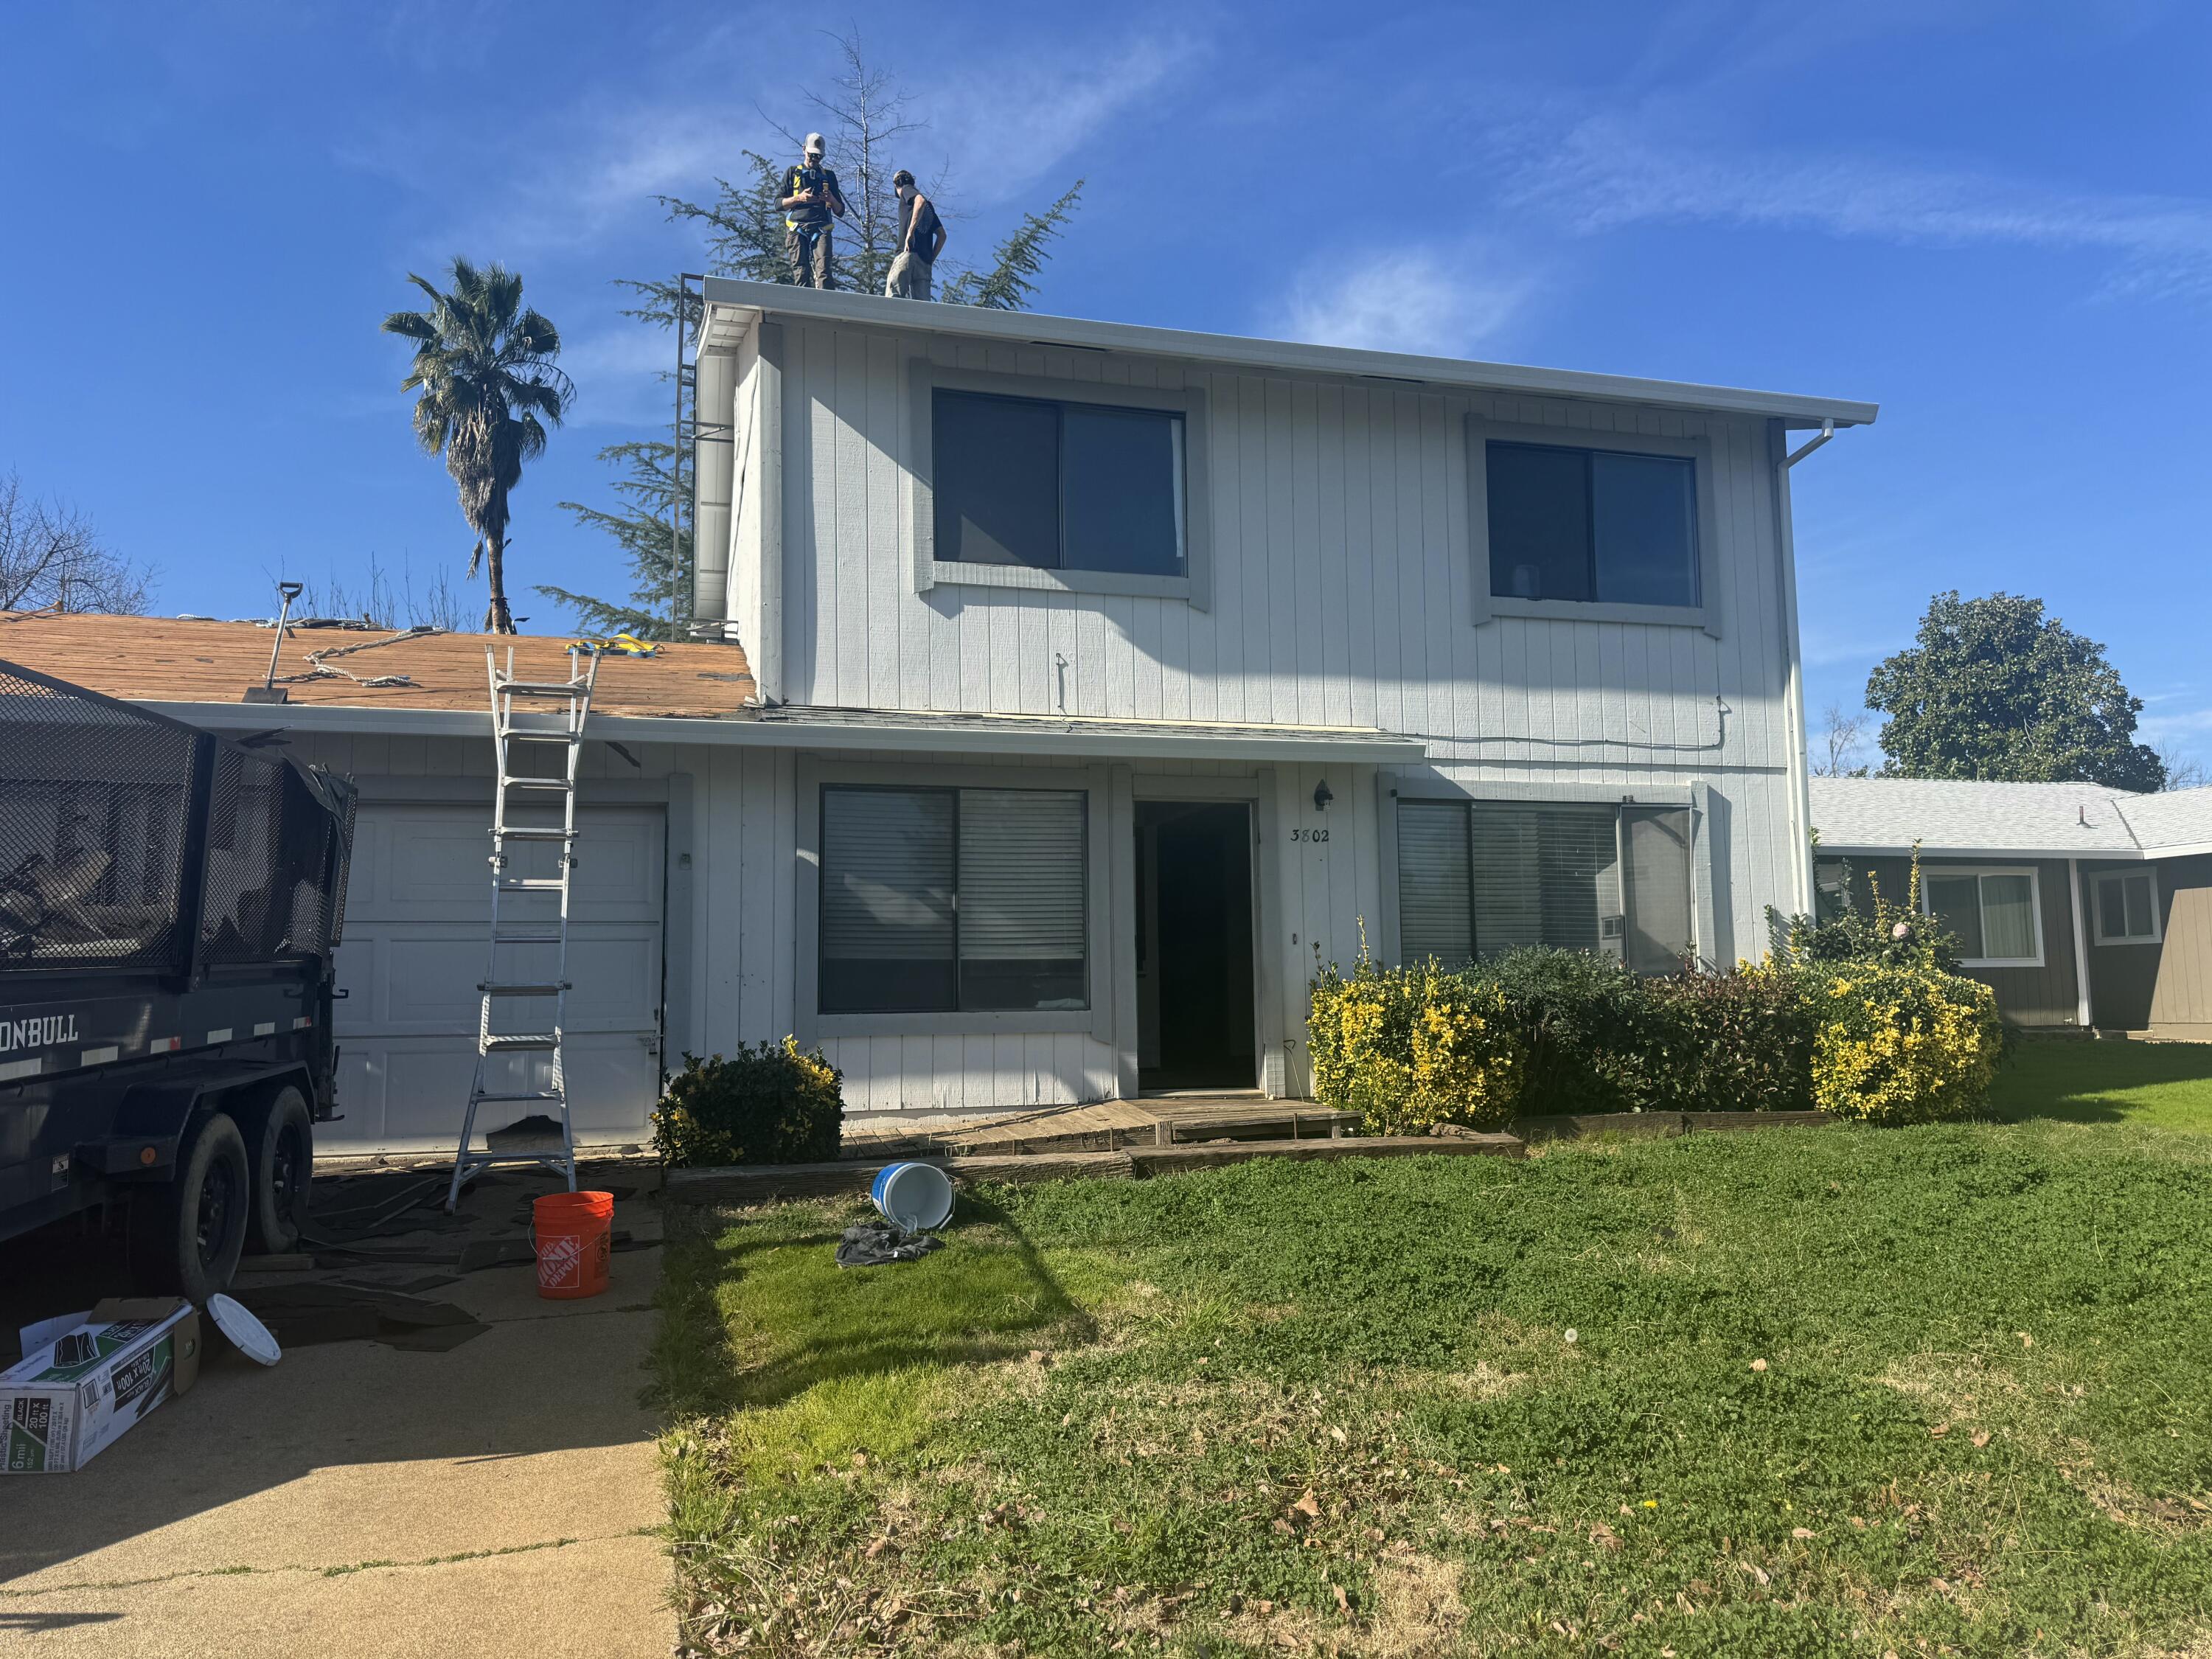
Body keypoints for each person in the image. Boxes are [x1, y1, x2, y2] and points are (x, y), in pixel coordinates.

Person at [777, 133, 848, 288]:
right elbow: (778, 204)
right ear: (804, 150)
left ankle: (826, 307)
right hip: (797, 227)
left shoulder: (828, 176)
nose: (815, 159)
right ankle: (804, 307)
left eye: (819, 157)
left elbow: (840, 210)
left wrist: (831, 199)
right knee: (801, 271)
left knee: (824, 270)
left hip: (822, 227)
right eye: (812, 155)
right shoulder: (792, 172)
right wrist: (799, 198)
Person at [884, 170, 945, 301]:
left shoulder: (906, 189)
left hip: (908, 253)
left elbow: (920, 200)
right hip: (924, 263)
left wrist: (910, 233)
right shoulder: (929, 207)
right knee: (922, 308)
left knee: (893, 297)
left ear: (897, 183)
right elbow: (942, 235)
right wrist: (930, 259)